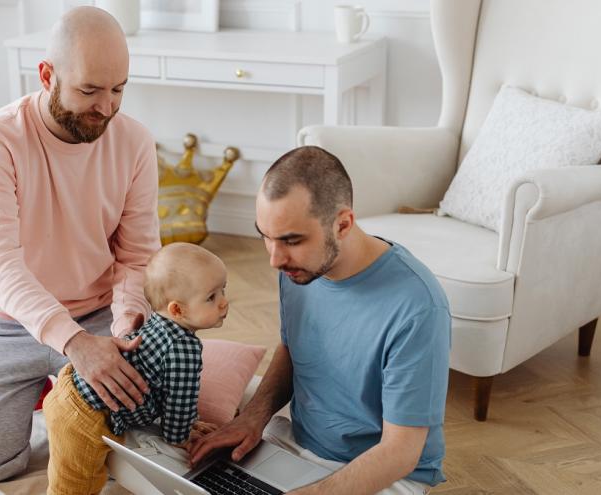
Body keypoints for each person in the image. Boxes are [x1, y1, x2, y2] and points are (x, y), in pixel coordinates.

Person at [0, 7, 162, 491]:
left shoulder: (136, 143)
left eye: (118, 89)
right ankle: (54, 393)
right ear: (47, 75)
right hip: (7, 325)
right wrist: (74, 346)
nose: (106, 107)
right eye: (89, 91)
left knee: (154, 443)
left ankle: (62, 397)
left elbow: (137, 257)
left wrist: (124, 324)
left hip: (99, 316)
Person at [189, 146, 451, 495]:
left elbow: (400, 452)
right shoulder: (299, 269)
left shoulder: (418, 307)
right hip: (294, 441)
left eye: (291, 240)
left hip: (381, 472)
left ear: (342, 224)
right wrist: (253, 418)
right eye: (265, 237)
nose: (274, 259)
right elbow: (294, 349)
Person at [43, 242, 228, 495]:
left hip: (70, 386)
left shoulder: (159, 322)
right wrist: (181, 436)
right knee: (75, 487)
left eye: (223, 291)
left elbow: (165, 386)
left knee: (67, 467)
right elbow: (179, 402)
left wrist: (191, 421)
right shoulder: (185, 349)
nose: (224, 303)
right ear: (177, 309)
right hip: (84, 418)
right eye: (212, 297)